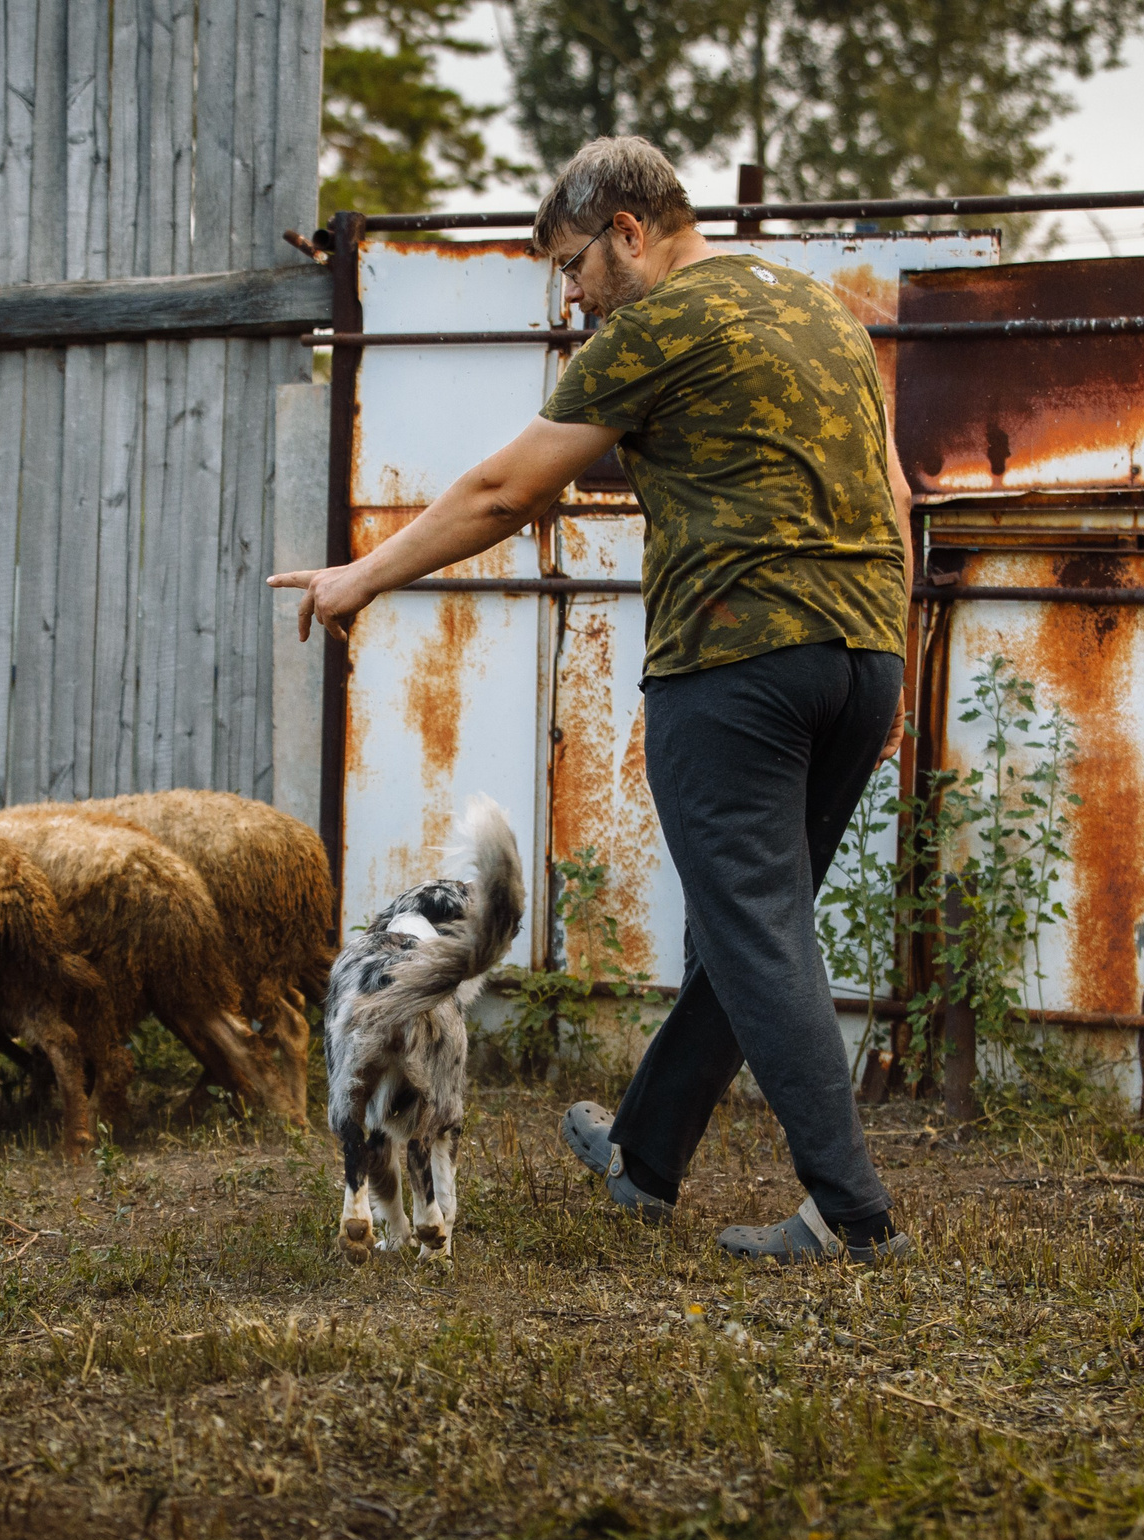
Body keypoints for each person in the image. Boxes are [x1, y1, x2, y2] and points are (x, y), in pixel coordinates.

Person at [268, 135, 913, 1265]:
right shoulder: (825, 312)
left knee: (756, 934)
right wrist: (882, 650)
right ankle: (644, 1155)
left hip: (735, 663)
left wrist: (361, 576)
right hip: (861, 655)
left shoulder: (659, 324)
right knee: (748, 927)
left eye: (574, 264)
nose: (572, 296)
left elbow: (505, 489)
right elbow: (897, 492)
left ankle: (849, 1215)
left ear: (629, 231)